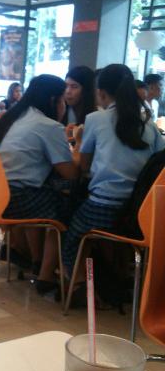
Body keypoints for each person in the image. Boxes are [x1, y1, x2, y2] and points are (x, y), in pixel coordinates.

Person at [63, 64, 165, 289]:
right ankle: (116, 278)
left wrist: (78, 140)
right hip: (139, 212)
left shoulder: (95, 119)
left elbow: (84, 166)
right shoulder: (148, 125)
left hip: (103, 207)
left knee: (71, 233)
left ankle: (79, 286)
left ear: (101, 93)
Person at [0, 75, 78, 291]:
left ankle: (36, 260)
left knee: (48, 194)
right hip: (18, 200)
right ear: (54, 100)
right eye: (63, 100)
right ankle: (46, 276)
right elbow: (70, 173)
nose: (64, 106)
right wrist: (81, 146)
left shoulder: (13, 118)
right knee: (69, 208)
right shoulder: (48, 125)